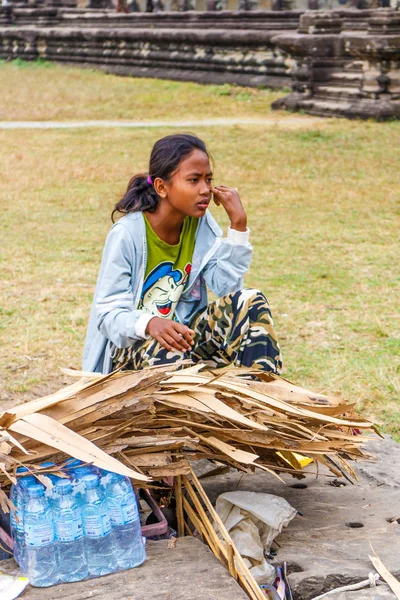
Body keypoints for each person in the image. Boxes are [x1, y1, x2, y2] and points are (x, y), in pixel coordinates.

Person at [82, 134, 282, 375]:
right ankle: (173, 409)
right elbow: (107, 315)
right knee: (166, 343)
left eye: (208, 179)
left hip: (184, 344)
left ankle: (258, 397)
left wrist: (238, 227)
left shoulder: (200, 224)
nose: (205, 189)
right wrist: (150, 324)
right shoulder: (127, 234)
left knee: (251, 301)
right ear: (161, 187)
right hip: (131, 353)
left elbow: (227, 289)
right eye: (193, 180)